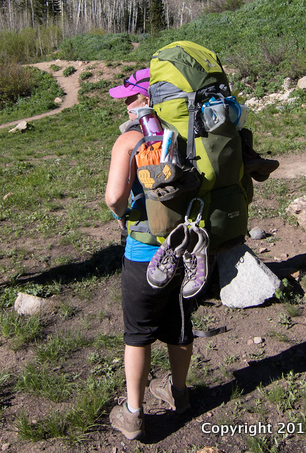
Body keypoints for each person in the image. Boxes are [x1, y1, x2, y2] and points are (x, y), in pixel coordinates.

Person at [104, 68, 193, 440]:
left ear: (148, 98)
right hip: (189, 247)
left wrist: (122, 213)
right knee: (179, 322)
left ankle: (133, 413)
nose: (125, 104)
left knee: (138, 332)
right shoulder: (190, 133)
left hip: (144, 251)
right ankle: (180, 393)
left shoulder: (130, 141)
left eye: (131, 97)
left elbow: (113, 198)